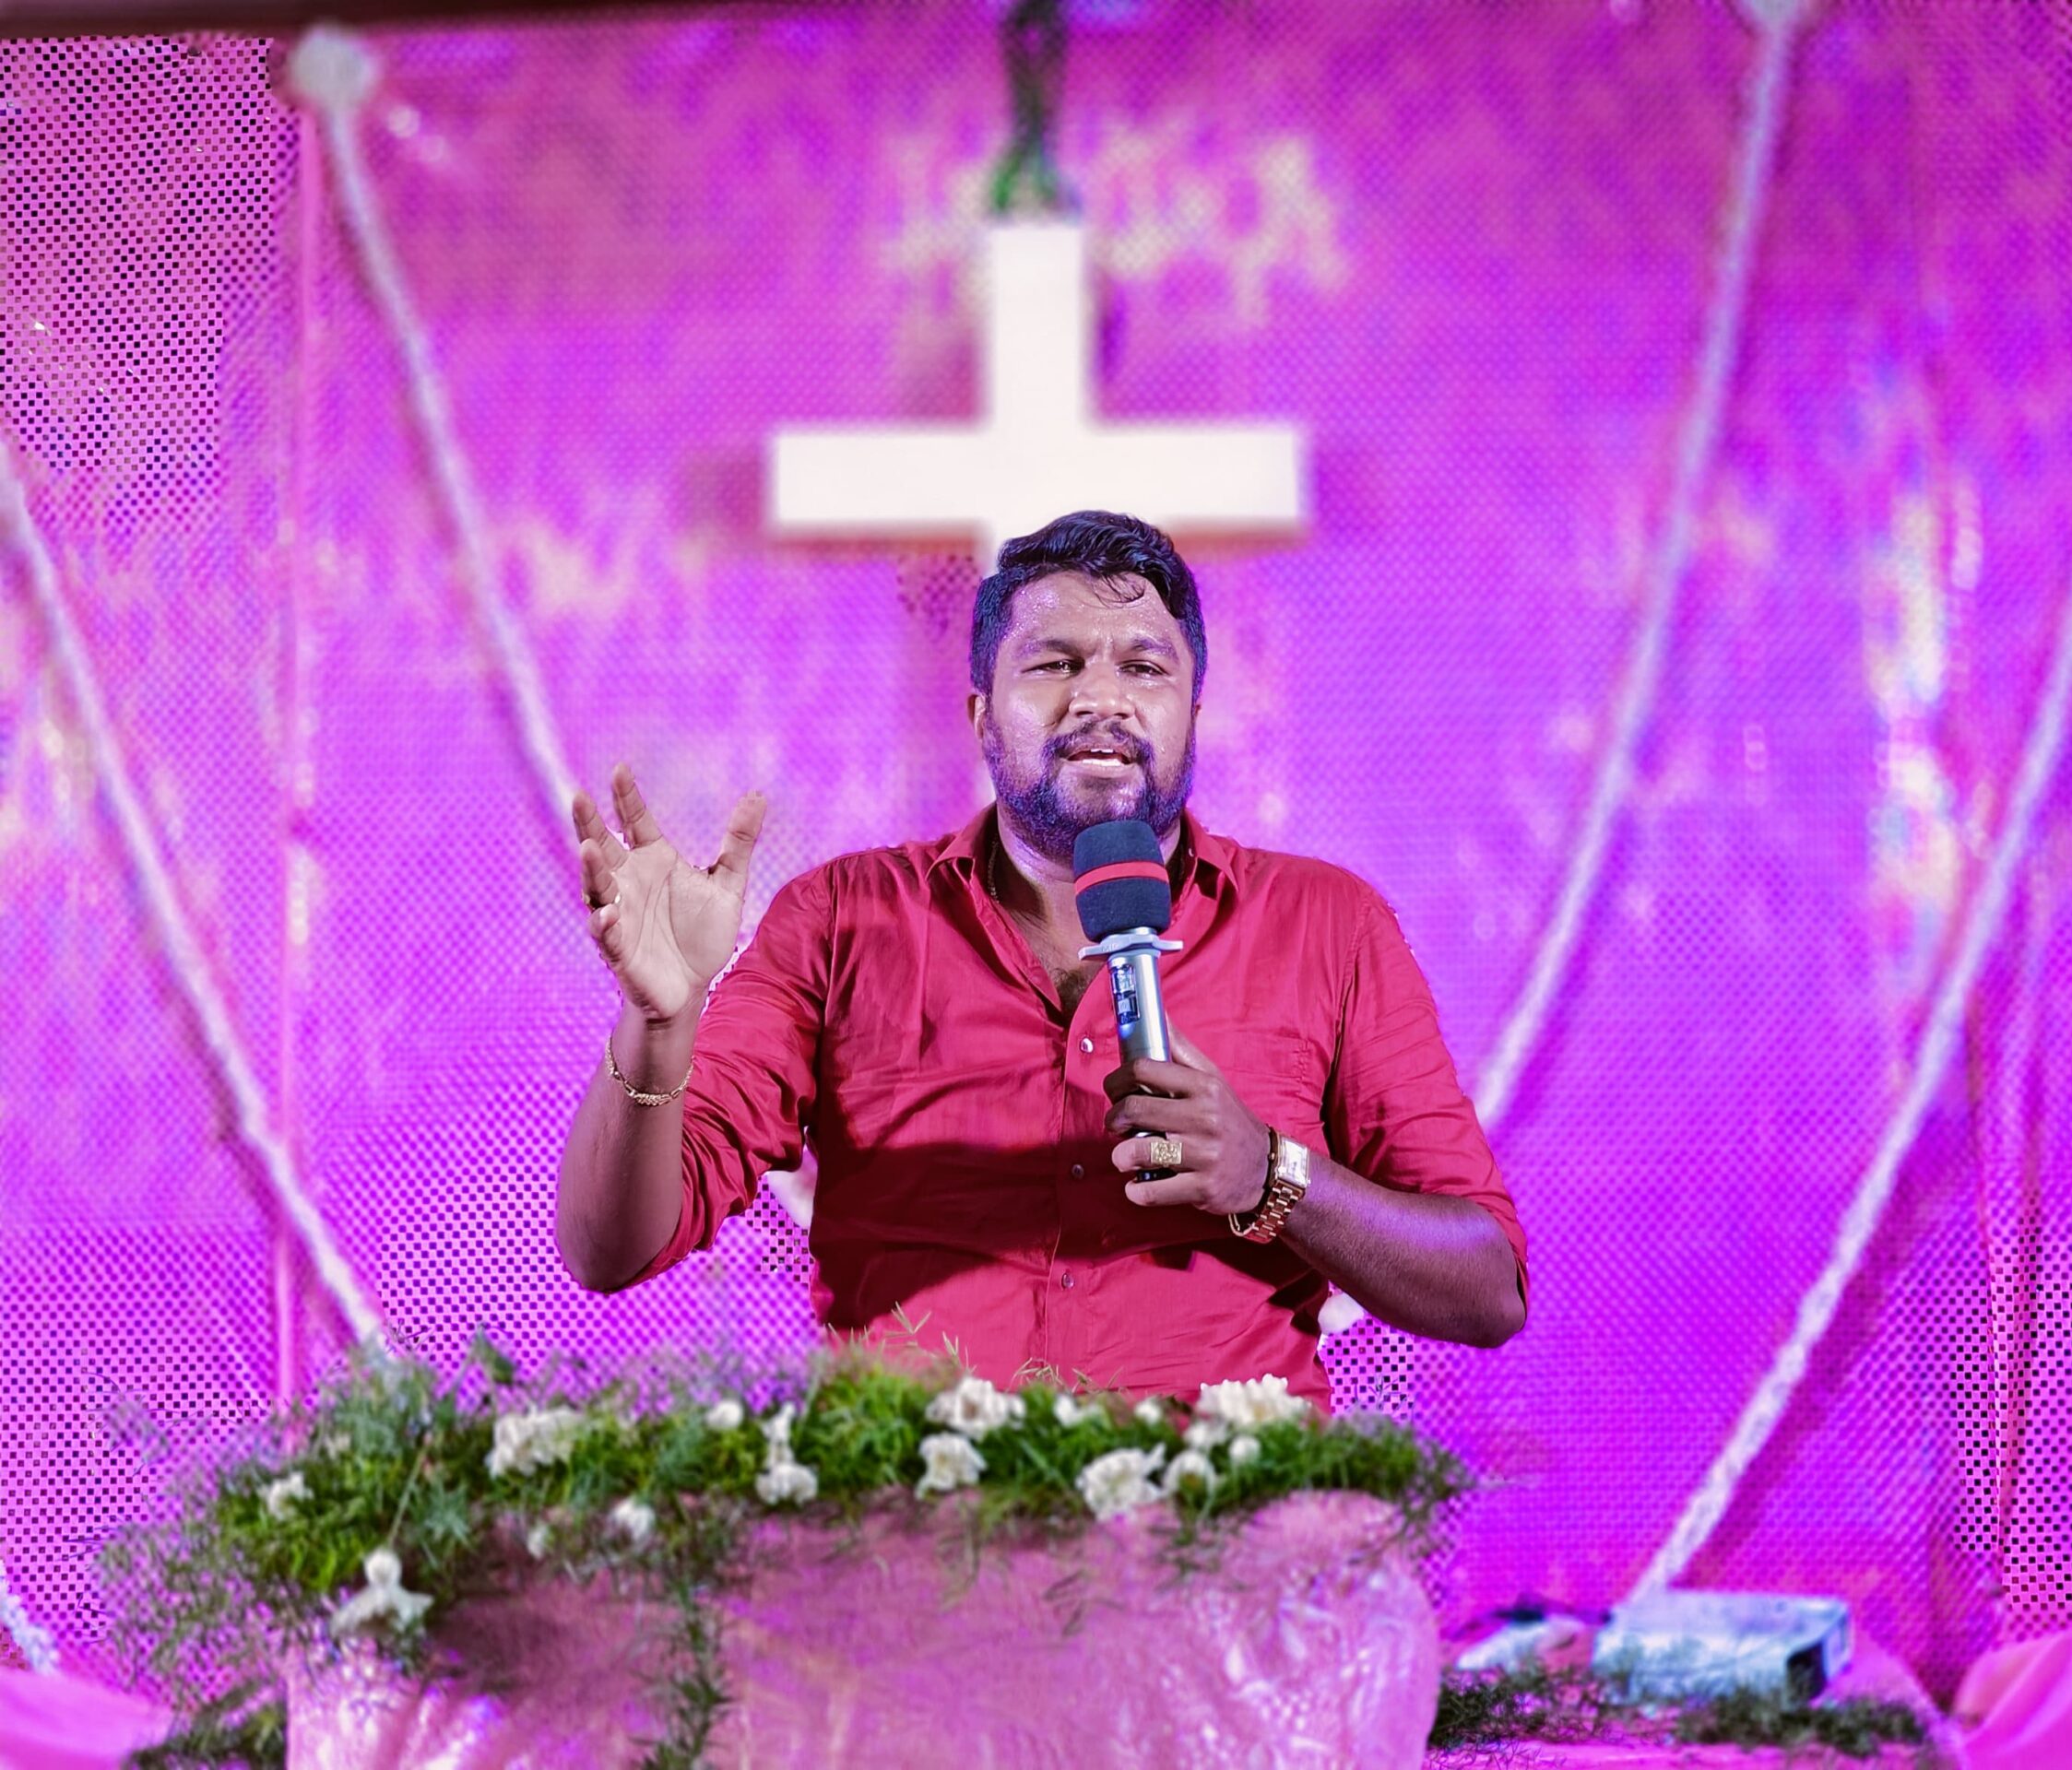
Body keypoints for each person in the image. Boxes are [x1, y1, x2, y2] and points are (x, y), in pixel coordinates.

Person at [556, 511, 1525, 1404]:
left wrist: (1271, 1176)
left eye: (1144, 667)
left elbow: (1486, 1287)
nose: (1101, 698)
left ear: (1193, 712)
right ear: (982, 716)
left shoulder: (1326, 926)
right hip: (918, 1510)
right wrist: (658, 1022)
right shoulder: (841, 919)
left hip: (1222, 1516)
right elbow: (611, 1250)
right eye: (1055, 663)